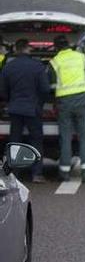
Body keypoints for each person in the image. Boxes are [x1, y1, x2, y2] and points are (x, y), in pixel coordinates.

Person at [0, 39, 50, 183]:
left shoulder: (8, 67)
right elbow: (45, 89)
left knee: (15, 141)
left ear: (16, 49)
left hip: (15, 109)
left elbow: (2, 91)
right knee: (36, 140)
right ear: (28, 49)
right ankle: (37, 174)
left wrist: (10, 101)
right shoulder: (38, 66)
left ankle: (14, 174)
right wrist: (40, 103)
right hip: (33, 110)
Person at [50, 35, 85, 182]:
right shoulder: (81, 57)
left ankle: (64, 173)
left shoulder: (55, 61)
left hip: (65, 103)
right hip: (82, 99)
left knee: (66, 138)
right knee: (84, 137)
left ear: (56, 47)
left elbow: (51, 86)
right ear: (69, 45)